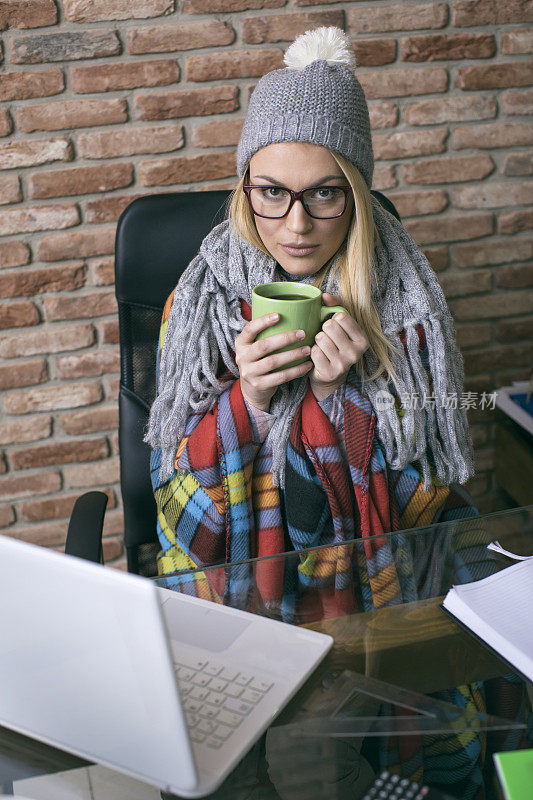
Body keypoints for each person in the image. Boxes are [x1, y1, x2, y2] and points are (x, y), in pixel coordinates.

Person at [147, 26, 530, 800]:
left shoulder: (410, 312)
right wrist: (248, 402)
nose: (294, 224)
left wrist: (340, 399)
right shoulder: (196, 302)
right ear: (245, 185)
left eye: (323, 192)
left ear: (353, 190)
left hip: (371, 590)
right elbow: (174, 503)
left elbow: (432, 503)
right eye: (271, 192)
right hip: (246, 592)